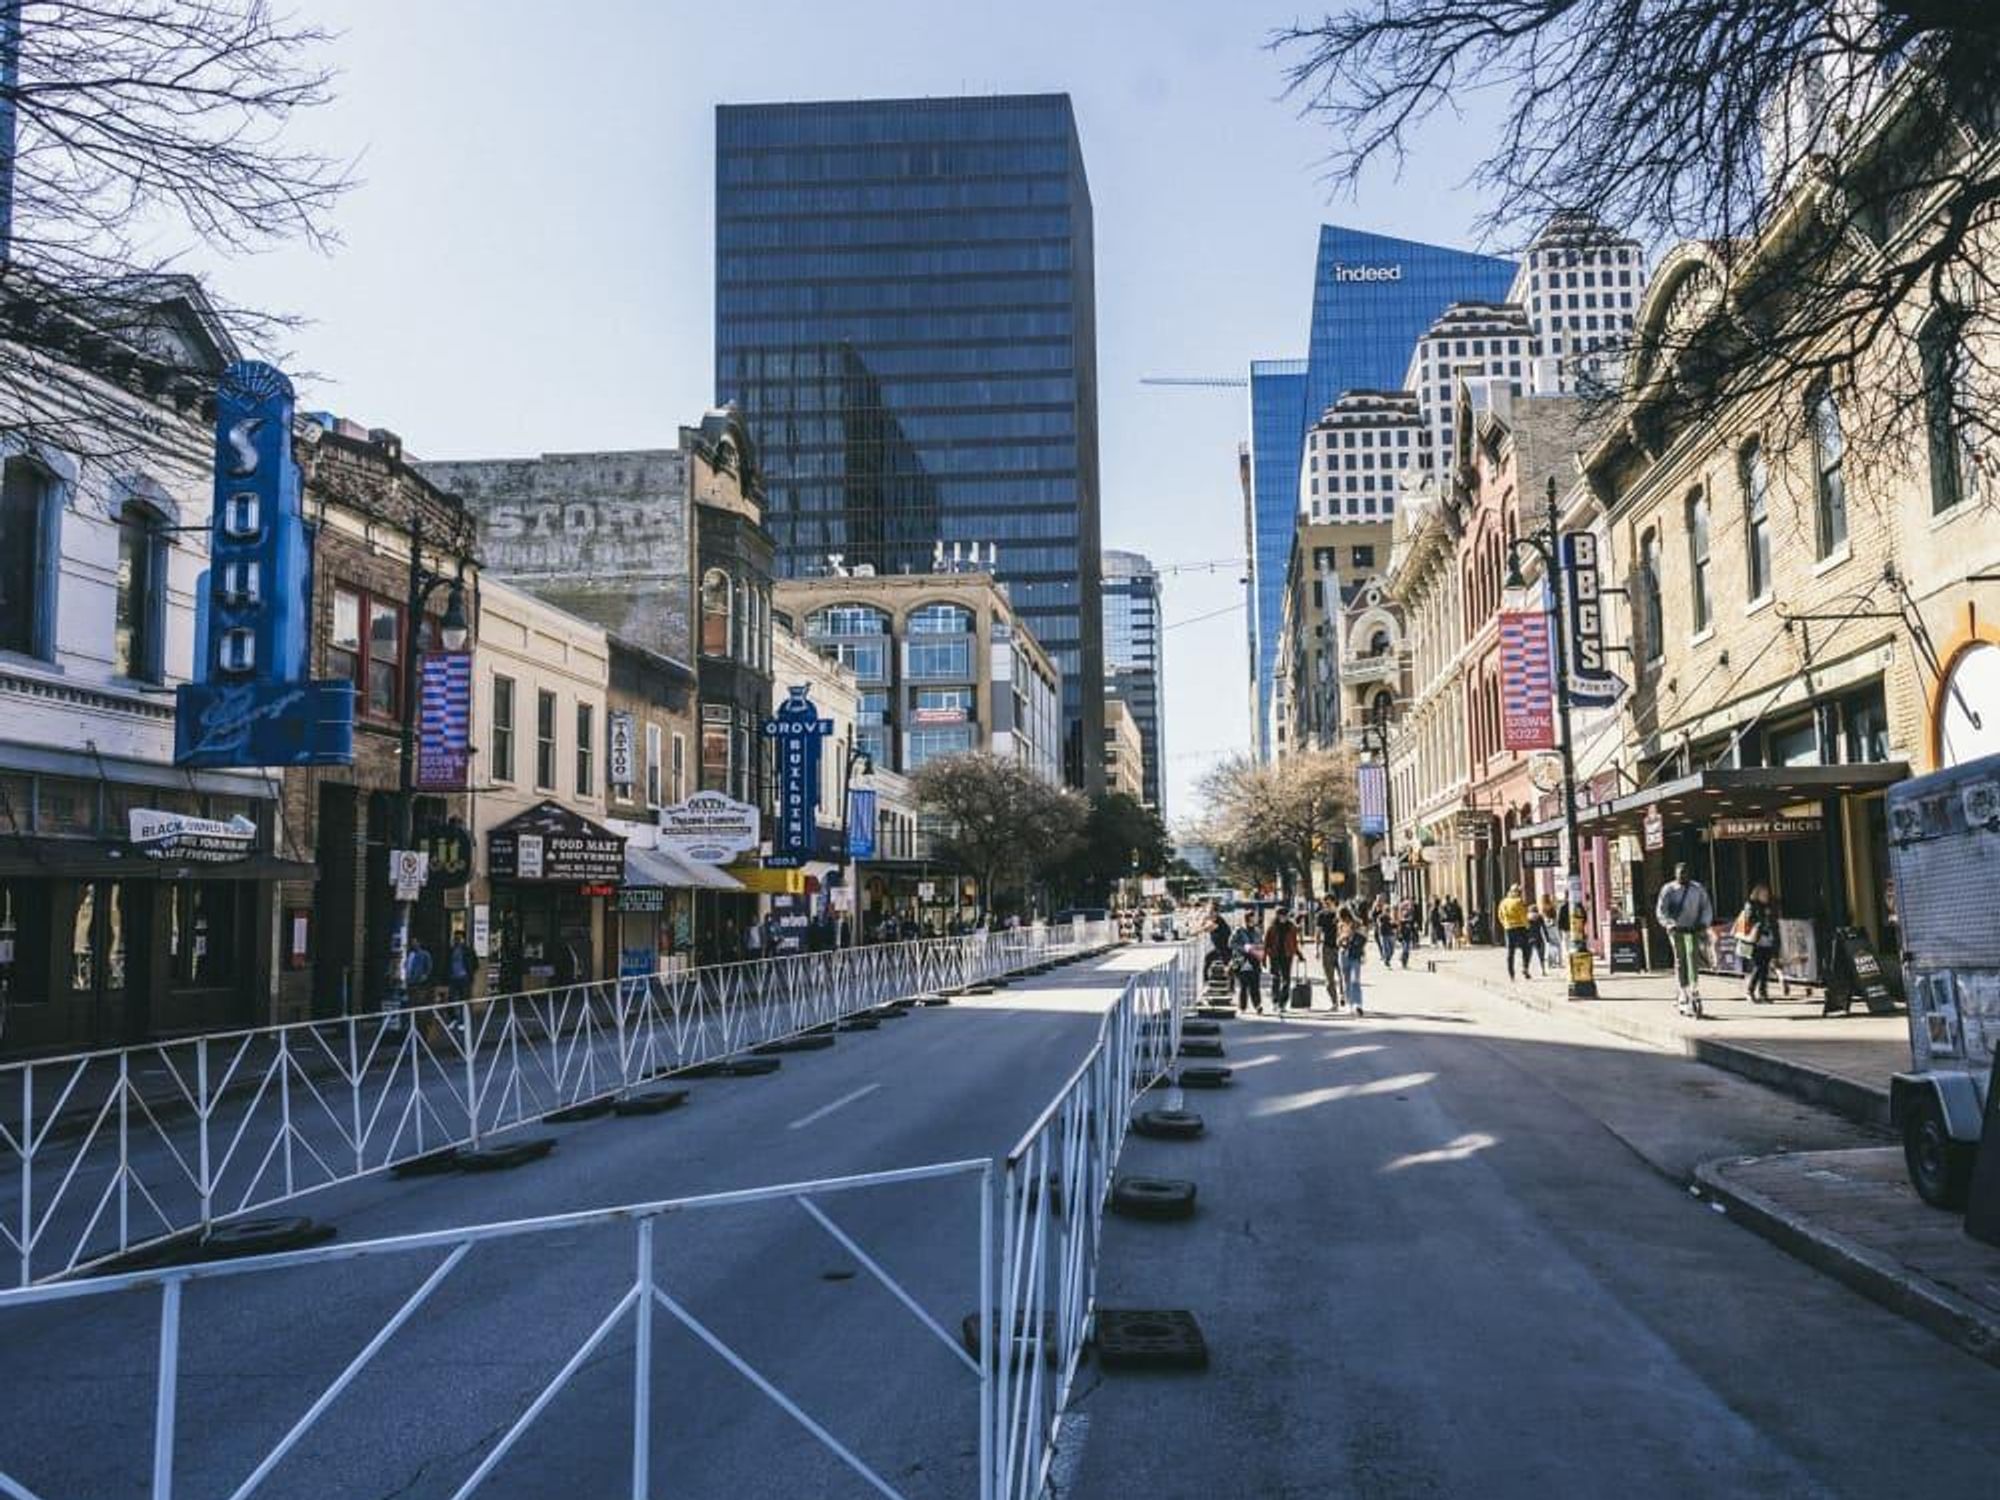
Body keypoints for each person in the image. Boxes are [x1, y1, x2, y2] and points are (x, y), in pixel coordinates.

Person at [1656, 862, 1715, 1017]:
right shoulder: (1668, 890)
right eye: (1680, 873)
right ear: (1675, 874)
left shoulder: (1698, 889)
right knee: (1681, 959)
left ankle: (1694, 988)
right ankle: (1683, 991)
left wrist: (1704, 923)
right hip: (1677, 931)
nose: (1683, 875)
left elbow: (1706, 907)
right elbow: (1662, 910)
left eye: (1685, 872)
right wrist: (1669, 924)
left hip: (1693, 929)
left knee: (1692, 956)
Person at [1735, 882, 1780, 1003]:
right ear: (1757, 894)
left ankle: (1763, 993)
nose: (1766, 896)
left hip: (1768, 939)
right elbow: (1749, 920)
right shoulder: (1751, 905)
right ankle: (1750, 991)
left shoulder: (1770, 905)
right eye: (1763, 894)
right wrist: (1759, 921)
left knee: (1765, 968)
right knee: (1758, 967)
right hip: (1756, 940)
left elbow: (1773, 922)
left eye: (1767, 894)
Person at [1265, 906, 1301, 1011]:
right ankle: (1275, 1000)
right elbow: (1266, 943)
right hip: (1275, 955)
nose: (1283, 918)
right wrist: (1265, 957)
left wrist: (1298, 954)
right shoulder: (1271, 927)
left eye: (1285, 915)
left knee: (1286, 979)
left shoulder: (1291, 927)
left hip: (1287, 955)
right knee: (1275, 978)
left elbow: (1294, 942)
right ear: (1277, 916)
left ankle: (1283, 1003)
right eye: (1281, 915)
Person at [1229, 912, 1266, 1014]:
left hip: (1254, 959)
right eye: (1251, 919)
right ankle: (1243, 1007)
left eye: (1254, 919)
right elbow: (1231, 943)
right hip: (1242, 960)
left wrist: (1258, 949)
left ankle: (1257, 1005)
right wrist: (1244, 948)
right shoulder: (1239, 930)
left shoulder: (1257, 931)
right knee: (1244, 985)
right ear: (1246, 920)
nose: (1253, 921)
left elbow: (1262, 944)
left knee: (1255, 984)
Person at [1497, 884, 1534, 981]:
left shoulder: (1503, 902)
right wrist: (1527, 926)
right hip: (1520, 927)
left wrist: (1505, 924)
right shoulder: (1519, 901)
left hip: (1509, 928)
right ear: (1517, 892)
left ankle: (1511, 973)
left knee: (1510, 951)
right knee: (1526, 949)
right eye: (1520, 892)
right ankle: (1525, 968)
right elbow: (1523, 915)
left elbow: (1500, 915)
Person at [1337, 910, 1368, 1015]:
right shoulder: (1340, 925)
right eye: (1341, 919)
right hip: (1343, 954)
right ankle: (1349, 1004)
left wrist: (1353, 934)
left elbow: (1364, 939)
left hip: (1355, 955)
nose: (1343, 920)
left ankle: (1358, 1004)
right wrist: (1342, 938)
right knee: (1346, 981)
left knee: (1355, 980)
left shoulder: (1358, 924)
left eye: (1344, 918)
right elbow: (1338, 941)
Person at [1314, 897, 1342, 1008]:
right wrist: (1317, 949)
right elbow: (1318, 933)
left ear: (1334, 902)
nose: (1327, 904)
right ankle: (1334, 1001)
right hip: (1327, 948)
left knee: (1343, 976)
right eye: (1325, 903)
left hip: (1341, 948)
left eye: (1329, 902)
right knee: (1329, 978)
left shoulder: (1341, 914)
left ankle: (1343, 996)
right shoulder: (1321, 915)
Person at [445, 931, 479, 1005]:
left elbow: (475, 964)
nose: (457, 940)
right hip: (453, 978)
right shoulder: (451, 950)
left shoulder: (468, 950)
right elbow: (448, 963)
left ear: (463, 939)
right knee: (452, 999)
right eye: (455, 938)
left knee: (465, 999)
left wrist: (469, 973)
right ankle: (454, 1016)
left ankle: (465, 1015)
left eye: (459, 938)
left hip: (464, 978)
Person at [1526, 896, 1550, 975]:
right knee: (1541, 955)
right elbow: (1544, 928)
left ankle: (1526, 970)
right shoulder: (1539, 917)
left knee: (1528, 955)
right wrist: (1547, 938)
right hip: (1538, 938)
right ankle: (1543, 971)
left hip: (1529, 938)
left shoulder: (1526, 918)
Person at [1395, 898, 1418, 969]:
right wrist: (1399, 933)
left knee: (1407, 949)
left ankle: (1404, 961)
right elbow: (1400, 923)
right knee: (1406, 948)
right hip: (1403, 934)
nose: (1410, 907)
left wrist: (1415, 935)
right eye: (1408, 905)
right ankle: (1403, 961)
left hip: (1408, 934)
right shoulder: (1403, 914)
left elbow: (1412, 925)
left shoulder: (1411, 914)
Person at [1373, 896, 1396, 965]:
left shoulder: (1390, 917)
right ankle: (1386, 959)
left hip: (1391, 934)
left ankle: (1387, 958)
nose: (1388, 912)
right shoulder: (1380, 917)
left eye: (1388, 910)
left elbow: (1394, 925)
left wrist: (1395, 925)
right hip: (1383, 934)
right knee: (1386, 948)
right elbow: (1377, 922)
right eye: (1386, 910)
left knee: (1392, 950)